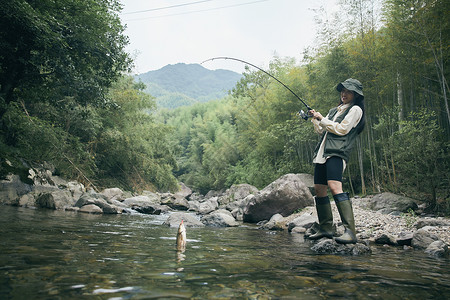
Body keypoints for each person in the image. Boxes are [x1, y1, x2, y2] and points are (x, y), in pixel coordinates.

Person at [307, 78, 365, 244]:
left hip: (337, 153)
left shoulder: (355, 110)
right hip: (322, 154)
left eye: (348, 91)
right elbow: (321, 130)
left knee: (334, 186)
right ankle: (326, 228)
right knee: (319, 188)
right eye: (342, 91)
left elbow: (341, 129)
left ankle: (350, 232)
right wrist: (315, 118)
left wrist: (322, 119)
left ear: (355, 94)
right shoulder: (335, 110)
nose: (344, 94)